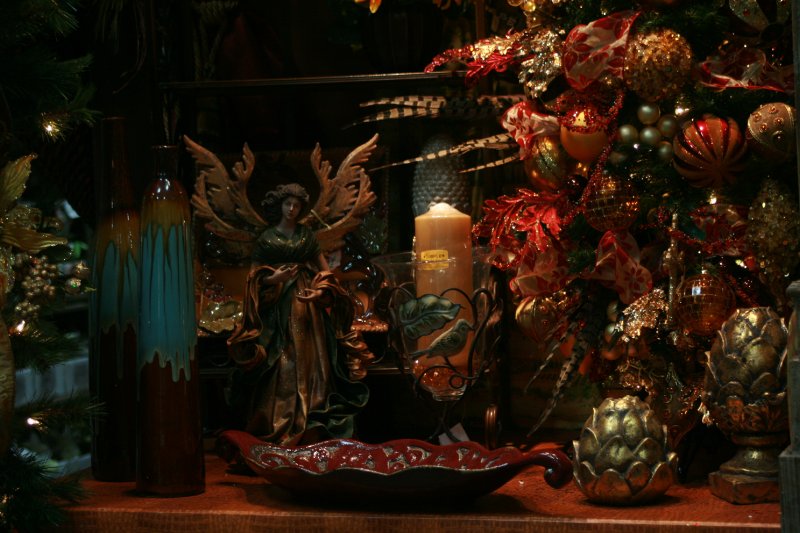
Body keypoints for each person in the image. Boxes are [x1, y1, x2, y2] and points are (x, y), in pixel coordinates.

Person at [227, 183, 372, 445]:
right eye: (288, 204)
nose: (292, 209)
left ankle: (313, 412)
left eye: (296, 205)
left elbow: (325, 272)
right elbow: (253, 275)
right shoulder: (267, 238)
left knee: (311, 356)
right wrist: (273, 279)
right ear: (280, 206)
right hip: (276, 305)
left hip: (306, 304)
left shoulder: (307, 237)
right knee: (279, 357)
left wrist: (320, 292)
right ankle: (278, 417)